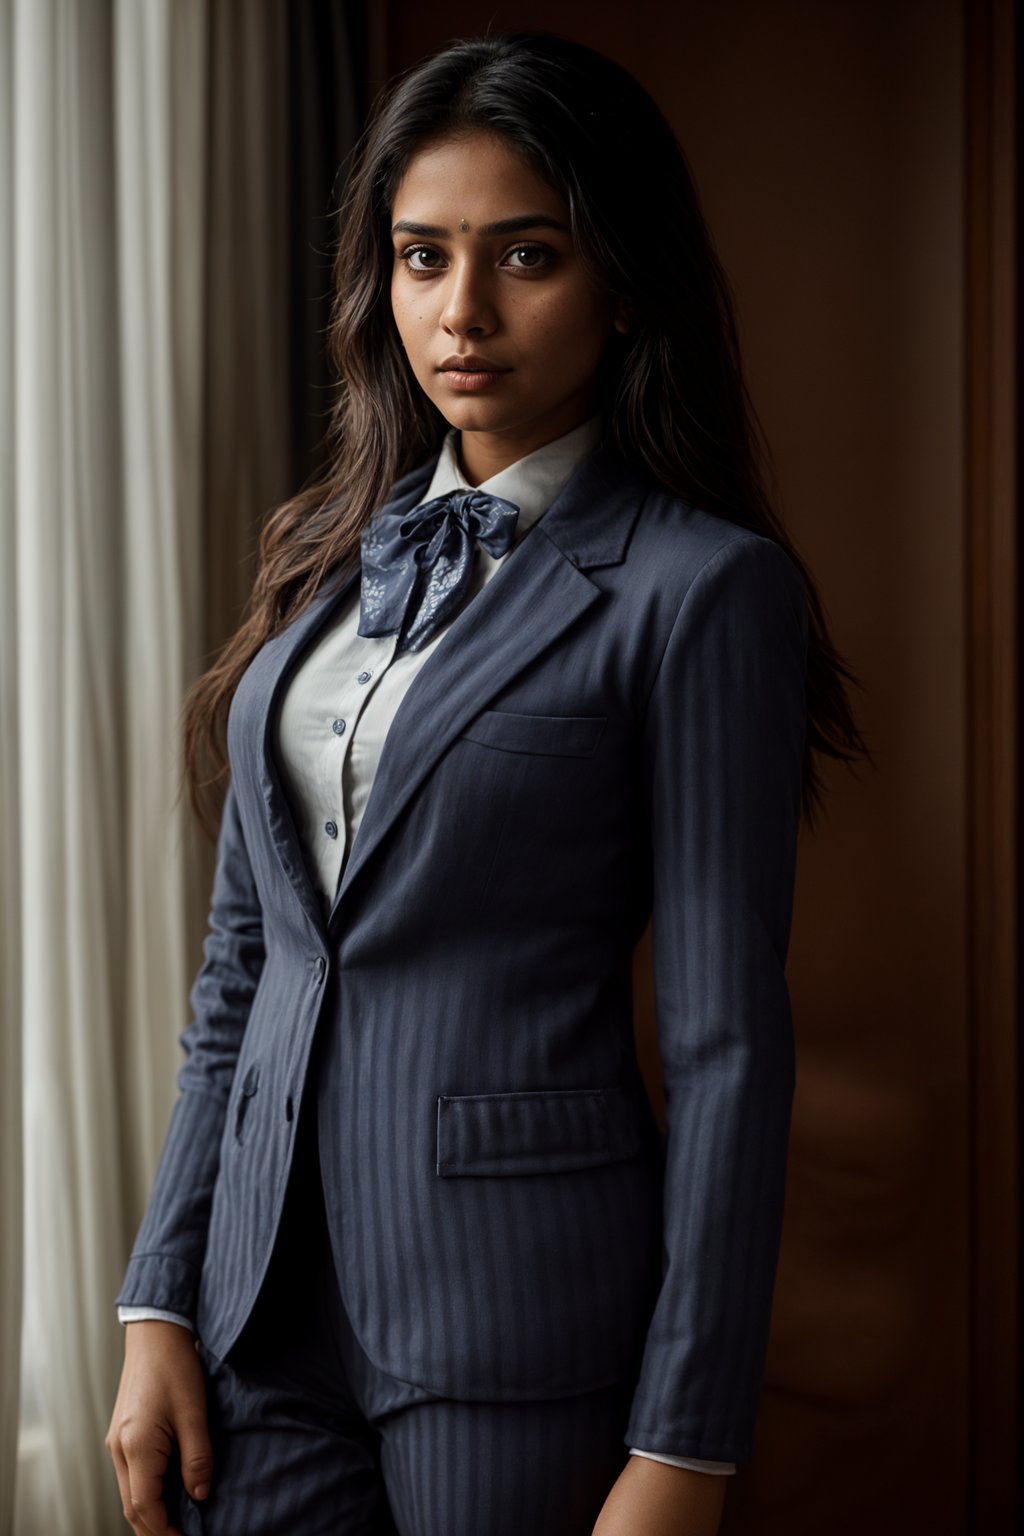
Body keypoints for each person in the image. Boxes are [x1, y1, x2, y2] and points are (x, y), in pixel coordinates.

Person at [105, 30, 869, 1536]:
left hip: (513, 1312)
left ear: (625, 280)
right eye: (421, 256)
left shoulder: (700, 592)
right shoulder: (324, 562)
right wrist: (156, 1302)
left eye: (526, 256)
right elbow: (244, 974)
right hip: (259, 1319)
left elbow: (727, 1049)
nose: (462, 313)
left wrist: (686, 1445)